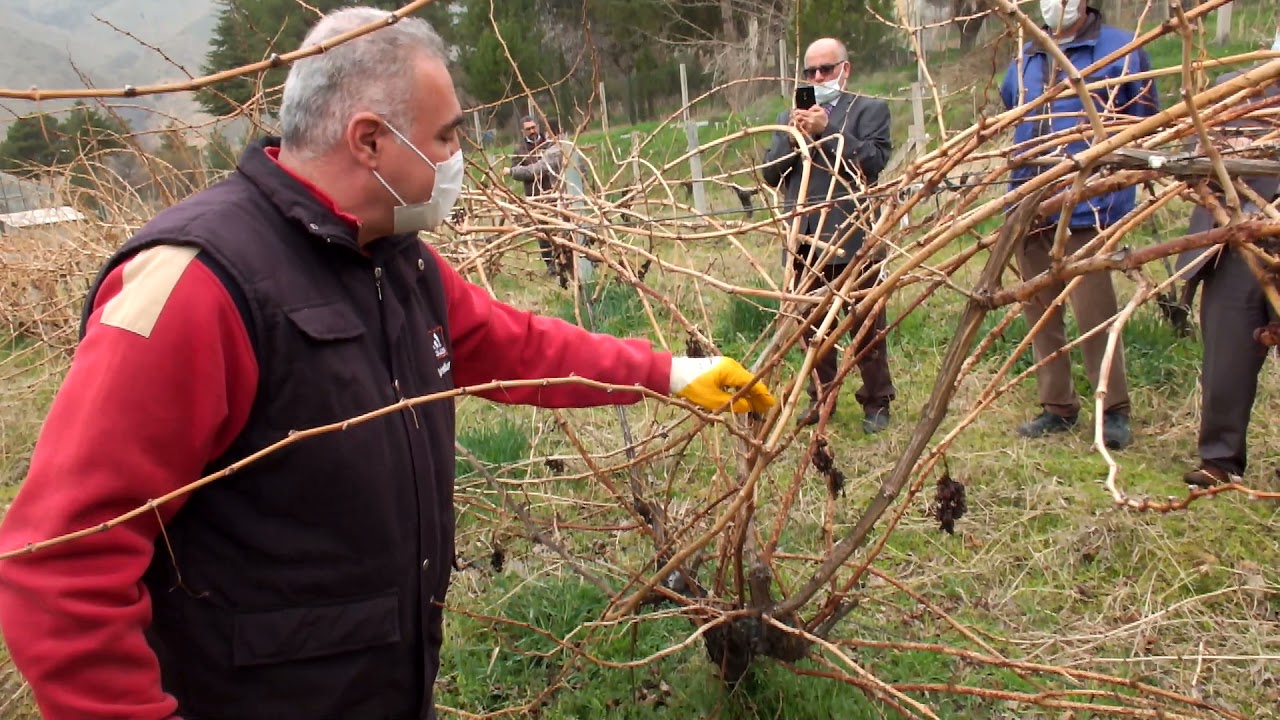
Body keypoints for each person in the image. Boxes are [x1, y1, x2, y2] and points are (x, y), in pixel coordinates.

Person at [0, 9, 775, 720]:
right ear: (369, 141)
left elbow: (519, 346)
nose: (459, 157)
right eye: (446, 136)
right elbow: (63, 562)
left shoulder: (393, 263)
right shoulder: (199, 286)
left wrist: (669, 373)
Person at [999, 0, 1159, 450]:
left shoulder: (1123, 50)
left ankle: (1113, 409)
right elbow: (1015, 110)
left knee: (1095, 310)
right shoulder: (1025, 58)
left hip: (1091, 205)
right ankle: (1057, 406)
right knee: (1040, 309)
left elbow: (1146, 122)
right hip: (1029, 204)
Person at [761, 37, 895, 434]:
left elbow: (873, 162)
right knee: (812, 329)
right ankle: (821, 398)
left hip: (853, 236)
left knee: (865, 324)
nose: (819, 78)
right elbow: (771, 174)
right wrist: (792, 136)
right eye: (811, 72)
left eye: (827, 69)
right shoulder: (790, 117)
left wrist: (828, 129)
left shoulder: (869, 110)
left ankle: (877, 401)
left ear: (845, 70)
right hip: (804, 239)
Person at [1174, 40, 1280, 488]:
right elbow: (1193, 154)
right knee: (1227, 356)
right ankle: (1220, 460)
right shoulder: (1230, 91)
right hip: (1233, 241)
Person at [504, 116, 585, 274]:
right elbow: (524, 171)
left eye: (534, 127)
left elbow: (542, 167)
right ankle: (551, 266)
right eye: (528, 129)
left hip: (555, 194)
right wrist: (523, 173)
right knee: (542, 233)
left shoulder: (550, 146)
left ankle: (569, 261)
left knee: (563, 227)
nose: (532, 131)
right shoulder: (519, 150)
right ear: (523, 131)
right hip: (535, 197)